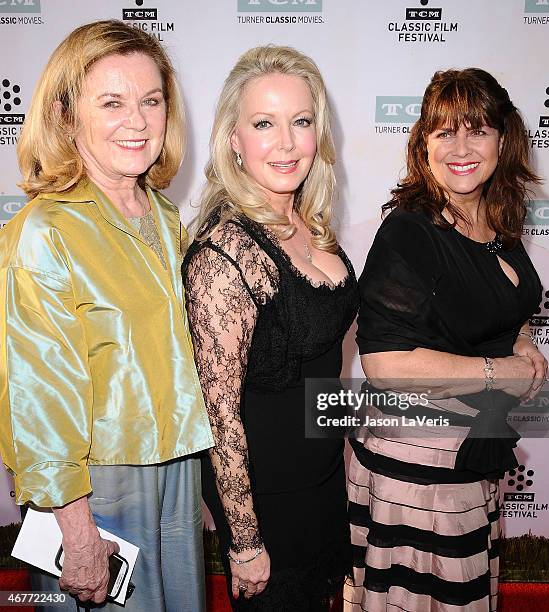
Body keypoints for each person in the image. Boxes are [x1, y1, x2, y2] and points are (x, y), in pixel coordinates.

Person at [0, 20, 213, 611]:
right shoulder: (44, 232)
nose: (138, 121)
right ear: (68, 116)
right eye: (112, 103)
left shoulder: (166, 219)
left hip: (176, 471)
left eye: (151, 101)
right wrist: (74, 527)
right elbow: (37, 393)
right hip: (97, 488)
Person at [345, 68, 549, 611]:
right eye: (444, 132)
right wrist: (497, 372)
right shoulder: (412, 230)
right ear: (423, 144)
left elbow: (499, 306)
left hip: (470, 458)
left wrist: (523, 342)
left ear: (502, 140)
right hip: (419, 473)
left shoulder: (496, 219)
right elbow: (385, 363)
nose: (461, 147)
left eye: (477, 130)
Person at [182, 46, 358, 611]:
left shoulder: (308, 223)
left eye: (301, 121)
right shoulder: (225, 252)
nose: (286, 142)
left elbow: (321, 370)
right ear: (234, 139)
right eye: (264, 123)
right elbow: (219, 412)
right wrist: (246, 539)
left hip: (324, 486)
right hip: (268, 508)